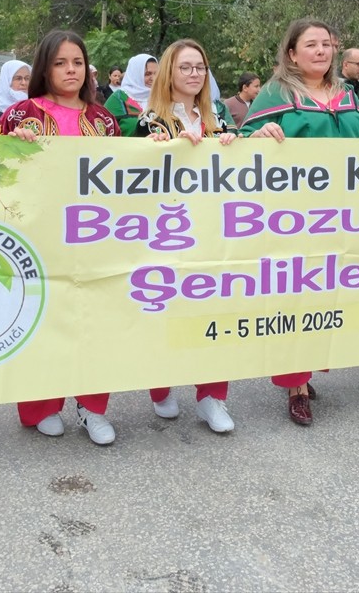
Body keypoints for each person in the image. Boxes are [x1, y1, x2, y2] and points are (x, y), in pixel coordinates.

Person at [240, 18, 359, 425]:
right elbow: (242, 141)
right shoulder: (275, 93)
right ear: (292, 53)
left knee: (326, 296)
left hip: (341, 216)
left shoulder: (346, 94)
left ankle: (308, 367)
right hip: (291, 219)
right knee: (294, 296)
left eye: (326, 44)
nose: (321, 51)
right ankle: (295, 384)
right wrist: (258, 136)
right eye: (310, 45)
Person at [0, 29, 121, 444]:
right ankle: (40, 405)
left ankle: (93, 407)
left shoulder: (104, 119)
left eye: (78, 62)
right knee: (43, 322)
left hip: (96, 240)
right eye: (60, 63)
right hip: (39, 239)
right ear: (45, 68)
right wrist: (13, 146)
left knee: (95, 324)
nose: (70, 70)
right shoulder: (21, 114)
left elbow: (125, 179)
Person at [131, 39, 238, 433]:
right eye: (186, 67)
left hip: (211, 234)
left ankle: (213, 398)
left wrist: (233, 145)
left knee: (214, 316)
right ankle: (160, 389)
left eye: (200, 68)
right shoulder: (149, 122)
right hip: (164, 236)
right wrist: (152, 149)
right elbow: (129, 179)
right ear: (169, 74)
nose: (194, 74)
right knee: (164, 315)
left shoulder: (217, 119)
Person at [103, 53, 157, 134]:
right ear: (135, 74)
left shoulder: (161, 98)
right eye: (147, 74)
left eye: (156, 73)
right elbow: (102, 132)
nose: (153, 78)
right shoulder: (118, 99)